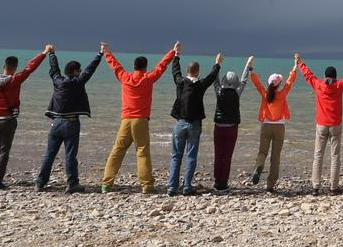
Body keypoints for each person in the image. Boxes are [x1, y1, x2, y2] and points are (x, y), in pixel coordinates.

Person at [100, 40, 179, 193]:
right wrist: (173, 52)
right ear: (144, 67)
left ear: (134, 67)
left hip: (126, 120)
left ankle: (106, 184)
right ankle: (146, 185)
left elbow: (115, 66)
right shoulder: (148, 79)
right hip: (141, 121)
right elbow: (161, 67)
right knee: (142, 151)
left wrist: (106, 52)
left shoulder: (125, 78)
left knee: (117, 150)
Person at [0, 45, 48, 190]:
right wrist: (44, 53)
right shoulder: (15, 79)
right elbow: (30, 68)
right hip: (8, 121)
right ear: (15, 67)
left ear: (3, 66)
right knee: (3, 152)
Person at [297, 52, 343, 194]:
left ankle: (315, 187)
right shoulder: (339, 86)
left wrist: (300, 63)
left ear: (325, 76)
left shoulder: (318, 85)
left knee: (318, 155)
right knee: (335, 156)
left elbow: (308, 75)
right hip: (335, 125)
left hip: (321, 125)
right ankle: (333, 188)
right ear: (335, 77)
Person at [35, 45, 103, 193]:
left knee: (49, 154)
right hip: (71, 123)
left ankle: (40, 183)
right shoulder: (78, 82)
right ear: (74, 71)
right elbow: (90, 70)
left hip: (55, 123)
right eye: (78, 70)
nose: (80, 72)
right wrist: (100, 54)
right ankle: (72, 184)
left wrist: (52, 54)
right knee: (70, 155)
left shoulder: (58, 81)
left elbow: (54, 69)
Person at [168, 52, 222, 196]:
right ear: (197, 72)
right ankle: (186, 187)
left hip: (180, 123)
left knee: (176, 156)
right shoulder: (200, 85)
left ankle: (172, 187)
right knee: (191, 156)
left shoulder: (180, 82)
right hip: (195, 124)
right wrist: (217, 63)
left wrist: (176, 55)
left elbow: (175, 71)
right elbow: (211, 77)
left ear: (188, 71)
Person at [248, 58, 299, 192]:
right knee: (275, 157)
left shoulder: (265, 94)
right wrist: (295, 66)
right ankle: (270, 185)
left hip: (266, 126)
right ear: (278, 84)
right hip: (279, 127)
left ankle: (259, 166)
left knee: (263, 151)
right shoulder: (282, 94)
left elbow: (257, 83)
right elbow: (290, 82)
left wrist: (250, 69)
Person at [212, 56, 255, 191]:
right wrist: (247, 66)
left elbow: (215, 80)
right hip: (232, 129)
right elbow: (244, 80)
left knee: (218, 155)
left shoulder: (219, 92)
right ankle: (223, 183)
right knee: (227, 157)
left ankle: (217, 182)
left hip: (218, 128)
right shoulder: (237, 92)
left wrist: (217, 64)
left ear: (224, 80)